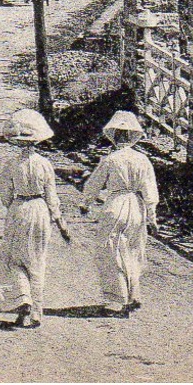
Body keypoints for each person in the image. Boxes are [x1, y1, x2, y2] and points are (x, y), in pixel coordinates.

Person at [0, 108, 71, 329]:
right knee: (37, 260)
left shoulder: (11, 165)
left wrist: (15, 202)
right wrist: (60, 222)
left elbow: (5, 197)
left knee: (15, 258)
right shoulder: (45, 164)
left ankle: (22, 300)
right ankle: (36, 312)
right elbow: (52, 197)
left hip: (19, 209)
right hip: (40, 210)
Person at [79, 111, 159, 317]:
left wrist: (86, 202)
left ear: (115, 137)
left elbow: (94, 184)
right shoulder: (143, 160)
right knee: (132, 251)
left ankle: (118, 299)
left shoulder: (111, 160)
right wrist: (152, 217)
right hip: (136, 207)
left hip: (116, 205)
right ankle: (133, 295)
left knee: (110, 252)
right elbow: (150, 191)